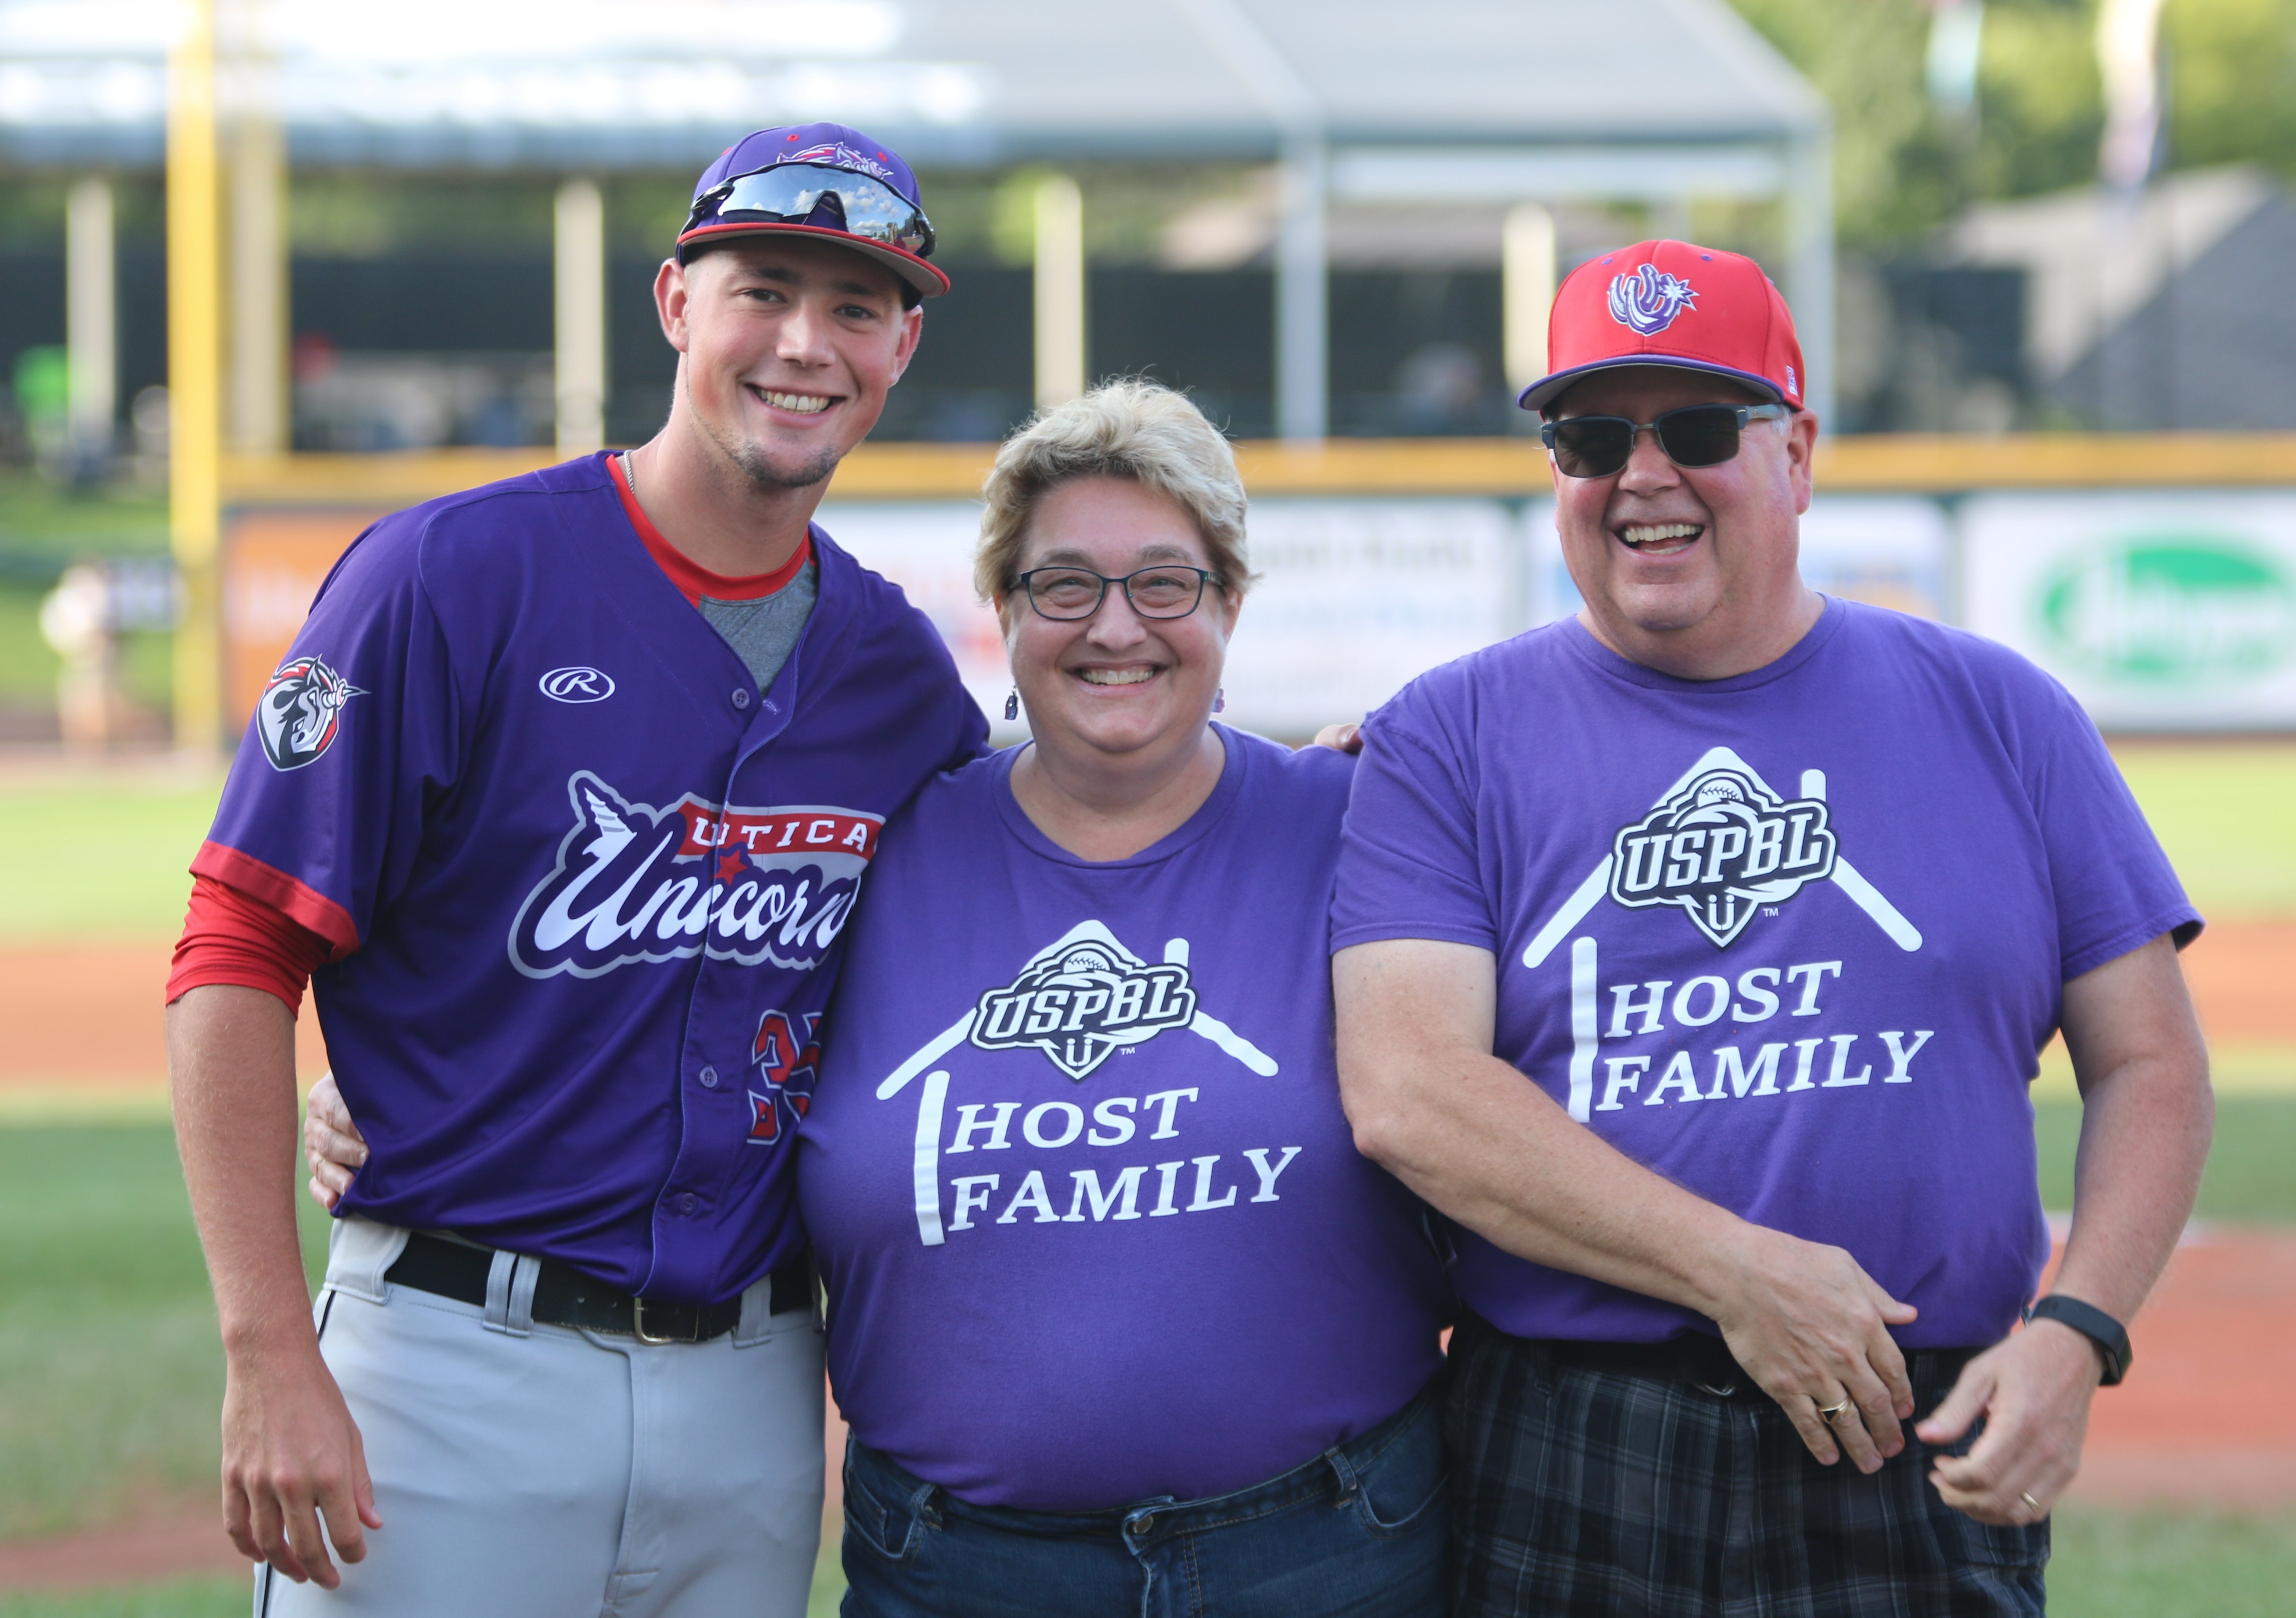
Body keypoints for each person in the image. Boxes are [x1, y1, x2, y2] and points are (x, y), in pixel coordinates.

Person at [309, 379, 1455, 1616]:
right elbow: (692, 991)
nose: (1115, 626)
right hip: (954, 1570)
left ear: (1230, 602)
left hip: (1324, 1552)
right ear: (1006, 615)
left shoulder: (1367, 830)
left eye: (1165, 583)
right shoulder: (888, 845)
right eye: (1062, 584)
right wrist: (409, 1095)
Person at [165, 122, 983, 1617]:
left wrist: (1313, 779)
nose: (806, 344)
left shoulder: (895, 674)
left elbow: (1048, 874)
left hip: (753, 1390)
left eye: (855, 306)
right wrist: (268, 1348)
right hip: (450, 1370)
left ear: (902, 344)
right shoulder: (452, 577)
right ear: (677, 303)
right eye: (765, 289)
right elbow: (236, 944)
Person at [1329, 241, 2213, 1617]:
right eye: (1588, 437)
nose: (1642, 476)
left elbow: (2151, 1062)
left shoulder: (2002, 712)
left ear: (1797, 453)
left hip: (1908, 1434)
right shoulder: (1446, 734)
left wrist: (2078, 1334)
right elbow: (1409, 1093)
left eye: (1695, 428)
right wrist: (1739, 1274)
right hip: (1571, 1434)